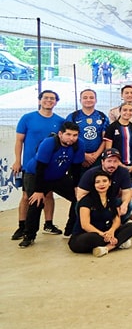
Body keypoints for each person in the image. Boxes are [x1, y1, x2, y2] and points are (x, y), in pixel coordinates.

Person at [18, 121, 84, 248]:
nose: (71, 138)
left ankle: (70, 230)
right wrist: (38, 191)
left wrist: (76, 187)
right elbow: (40, 168)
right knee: (36, 202)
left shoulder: (79, 145)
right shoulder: (49, 143)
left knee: (79, 198)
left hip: (57, 177)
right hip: (35, 175)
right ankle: (29, 236)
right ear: (60, 134)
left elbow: (76, 168)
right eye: (68, 134)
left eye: (75, 135)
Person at [11, 90, 65, 241]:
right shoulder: (27, 118)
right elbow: (19, 141)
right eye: (46, 98)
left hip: (50, 167)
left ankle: (48, 224)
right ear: (40, 100)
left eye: (52, 98)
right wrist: (17, 161)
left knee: (48, 195)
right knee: (27, 196)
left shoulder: (60, 121)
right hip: (30, 166)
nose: (49, 101)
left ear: (56, 102)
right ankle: (22, 226)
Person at [68, 171, 132, 257]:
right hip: (86, 236)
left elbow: (117, 219)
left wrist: (111, 231)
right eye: (97, 182)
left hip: (106, 233)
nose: (101, 184)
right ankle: (119, 242)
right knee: (91, 238)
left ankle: (107, 248)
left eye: (104, 181)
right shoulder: (86, 200)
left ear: (110, 183)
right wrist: (102, 234)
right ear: (93, 184)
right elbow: (85, 225)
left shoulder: (112, 199)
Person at [75, 149, 132, 222]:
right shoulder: (90, 173)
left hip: (111, 201)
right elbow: (80, 196)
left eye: (115, 161)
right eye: (109, 161)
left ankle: (117, 224)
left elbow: (127, 192)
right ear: (102, 162)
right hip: (93, 203)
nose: (112, 165)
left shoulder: (123, 172)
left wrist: (124, 204)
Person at [67, 88, 109, 168]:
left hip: (97, 157)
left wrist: (95, 155)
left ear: (96, 100)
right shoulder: (73, 117)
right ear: (80, 100)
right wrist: (83, 155)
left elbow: (105, 139)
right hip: (77, 156)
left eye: (91, 97)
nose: (88, 100)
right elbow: (69, 138)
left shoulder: (102, 117)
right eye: (85, 98)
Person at [104, 103, 132, 175]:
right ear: (120, 111)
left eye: (130, 110)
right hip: (115, 166)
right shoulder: (112, 127)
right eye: (125, 110)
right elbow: (108, 149)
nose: (128, 112)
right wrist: (119, 163)